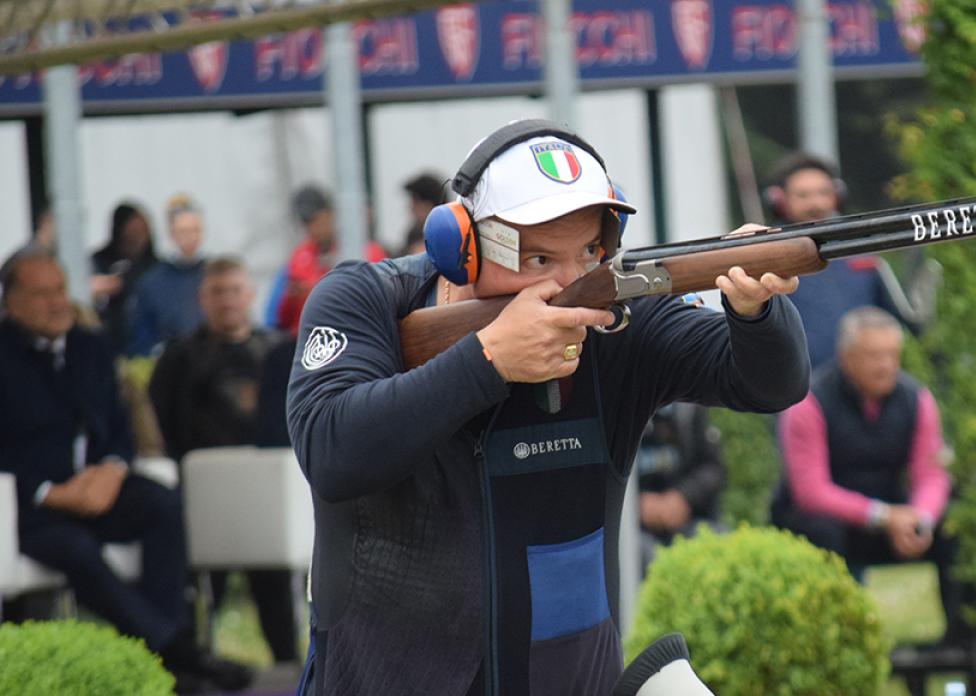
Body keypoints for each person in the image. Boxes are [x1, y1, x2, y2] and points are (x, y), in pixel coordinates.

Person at [286, 119, 809, 695]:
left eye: (589, 252)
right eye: (538, 260)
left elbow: (767, 384)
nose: (568, 284)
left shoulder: (617, 320)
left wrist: (755, 311)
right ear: (461, 249)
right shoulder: (364, 300)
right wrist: (485, 362)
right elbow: (333, 451)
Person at [0, 248, 250, 693]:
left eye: (60, 290)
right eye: (41, 294)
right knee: (76, 550)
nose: (58, 302)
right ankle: (177, 652)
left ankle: (167, 661)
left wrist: (112, 471)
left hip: (99, 490)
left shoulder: (88, 347)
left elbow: (117, 428)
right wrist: (47, 493)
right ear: (11, 302)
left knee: (161, 505)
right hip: (30, 510)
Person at [770, 306, 966, 642]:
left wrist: (920, 519)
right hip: (823, 522)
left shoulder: (917, 399)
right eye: (874, 355)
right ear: (846, 357)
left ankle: (961, 646)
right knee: (822, 533)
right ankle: (841, 641)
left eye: (892, 355)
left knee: (959, 524)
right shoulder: (808, 402)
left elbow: (931, 475)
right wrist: (883, 516)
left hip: (889, 521)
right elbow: (811, 491)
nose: (886, 365)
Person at [148, 255, 298, 664]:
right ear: (203, 298)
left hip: (267, 496)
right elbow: (162, 424)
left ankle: (288, 667)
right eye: (217, 292)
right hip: (200, 495)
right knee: (195, 589)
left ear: (249, 294)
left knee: (274, 588)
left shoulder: (277, 352)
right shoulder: (179, 358)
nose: (227, 300)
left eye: (234, 290)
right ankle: (193, 664)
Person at [769, 153, 908, 369]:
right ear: (780, 201)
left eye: (823, 193)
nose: (815, 203)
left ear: (837, 196)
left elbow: (898, 322)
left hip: (861, 388)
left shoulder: (863, 255)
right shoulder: (767, 260)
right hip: (796, 390)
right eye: (803, 195)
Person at [272, 185, 388, 335]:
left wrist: (314, 288)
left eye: (314, 220)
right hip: (310, 339)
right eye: (305, 222)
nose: (311, 228)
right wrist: (291, 297)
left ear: (330, 215)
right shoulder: (299, 256)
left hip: (358, 334)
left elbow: (381, 299)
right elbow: (282, 319)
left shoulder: (367, 251)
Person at [636, 401, 726, 572]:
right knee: (647, 558)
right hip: (631, 529)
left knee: (719, 545)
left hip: (685, 519)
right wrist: (635, 506)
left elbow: (712, 468)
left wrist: (683, 497)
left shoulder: (689, 405)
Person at [127, 194, 206, 356]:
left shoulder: (214, 276)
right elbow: (142, 335)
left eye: (195, 230)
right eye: (183, 231)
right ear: (172, 234)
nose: (190, 238)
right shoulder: (152, 282)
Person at [91, 201, 159, 353]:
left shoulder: (156, 268)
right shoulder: (98, 261)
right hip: (106, 338)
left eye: (142, 232)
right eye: (132, 232)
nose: (137, 238)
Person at [400, 171, 447, 256]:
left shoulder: (448, 241)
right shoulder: (414, 235)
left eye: (415, 201)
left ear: (428, 205)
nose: (411, 208)